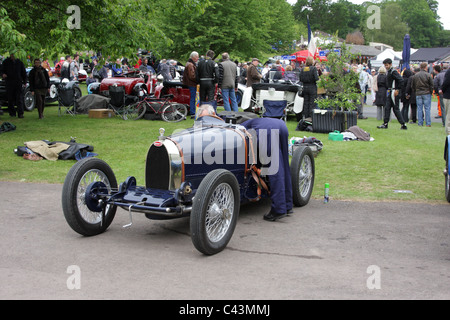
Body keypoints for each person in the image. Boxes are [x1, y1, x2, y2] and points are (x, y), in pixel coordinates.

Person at [195, 104, 292, 221]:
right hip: (279, 124)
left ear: (213, 115)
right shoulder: (225, 118)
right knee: (284, 166)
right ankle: (287, 204)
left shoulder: (219, 123)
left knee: (274, 168)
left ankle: (279, 209)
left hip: (266, 129)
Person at [377, 58, 407, 130]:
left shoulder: (393, 72)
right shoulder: (389, 72)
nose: (386, 67)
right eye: (385, 65)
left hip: (393, 91)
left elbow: (401, 80)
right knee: (387, 108)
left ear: (390, 64)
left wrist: (397, 89)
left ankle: (403, 124)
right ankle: (385, 123)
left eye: (387, 65)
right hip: (389, 91)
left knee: (396, 109)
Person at [1, 52, 27, 118]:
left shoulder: (19, 62)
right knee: (10, 98)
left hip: (18, 82)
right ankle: (12, 113)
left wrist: (25, 81)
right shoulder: (6, 62)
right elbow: (1, 70)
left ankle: (20, 113)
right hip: (9, 82)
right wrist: (3, 74)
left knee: (19, 98)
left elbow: (23, 72)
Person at [412, 62, 434, 127]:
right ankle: (428, 123)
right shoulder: (428, 75)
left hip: (418, 93)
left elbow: (412, 85)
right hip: (426, 92)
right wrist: (430, 91)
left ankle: (420, 123)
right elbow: (432, 85)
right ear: (425, 67)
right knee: (427, 108)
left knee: (419, 108)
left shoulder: (416, 75)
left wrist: (415, 91)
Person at [299, 56, 319, 120]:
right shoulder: (313, 69)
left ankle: (305, 116)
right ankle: (311, 117)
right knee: (312, 102)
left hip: (305, 87)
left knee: (306, 102)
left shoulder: (303, 69)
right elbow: (316, 78)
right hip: (312, 87)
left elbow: (301, 79)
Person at [182, 51, 199, 117]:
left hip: (190, 83)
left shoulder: (189, 64)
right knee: (193, 98)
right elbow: (192, 76)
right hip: (192, 84)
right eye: (197, 57)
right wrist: (198, 80)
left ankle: (193, 111)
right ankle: (193, 112)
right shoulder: (190, 65)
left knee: (193, 97)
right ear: (193, 57)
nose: (198, 58)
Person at [441, 65, 450, 134]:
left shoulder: (448, 72)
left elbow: (446, 83)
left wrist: (442, 90)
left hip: (448, 95)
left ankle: (448, 130)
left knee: (448, 114)